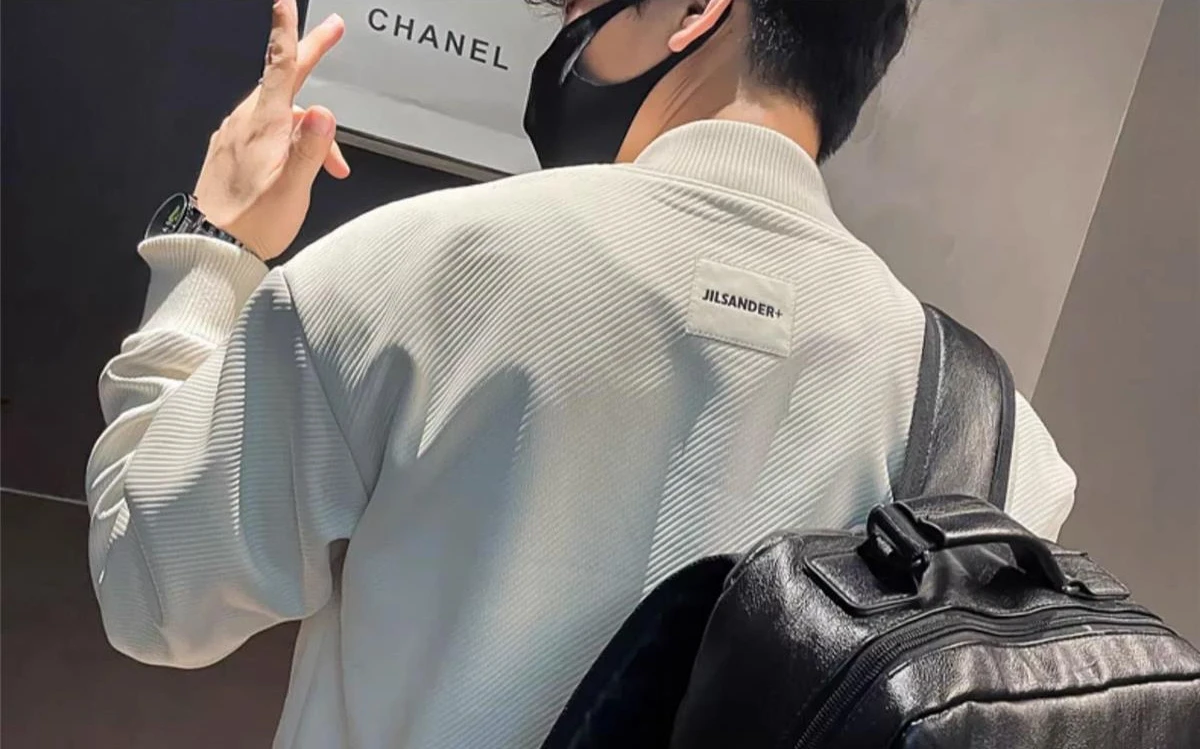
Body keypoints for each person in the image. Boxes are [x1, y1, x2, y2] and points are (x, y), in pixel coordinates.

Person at [86, 0, 1076, 747]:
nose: (563, 38)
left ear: (696, 11)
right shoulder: (999, 444)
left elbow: (154, 592)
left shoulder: (409, 272)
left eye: (575, 10)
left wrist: (211, 249)